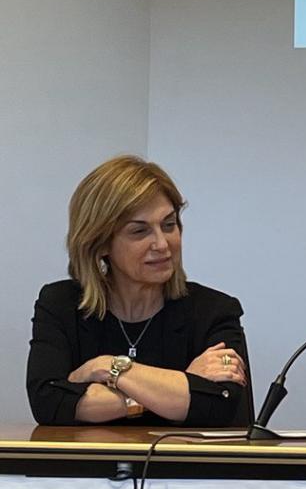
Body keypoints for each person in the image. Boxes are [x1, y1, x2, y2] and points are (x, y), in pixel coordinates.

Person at [27, 155, 251, 427]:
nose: (162, 244)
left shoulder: (215, 310)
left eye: (169, 225)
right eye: (139, 231)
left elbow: (220, 402)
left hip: (184, 470)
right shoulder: (60, 305)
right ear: (100, 243)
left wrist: (105, 367)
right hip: (90, 469)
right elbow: (49, 403)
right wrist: (179, 384)